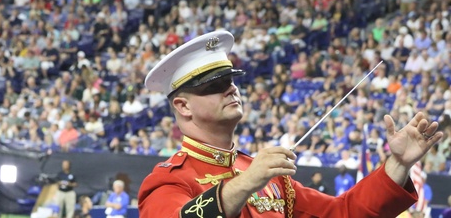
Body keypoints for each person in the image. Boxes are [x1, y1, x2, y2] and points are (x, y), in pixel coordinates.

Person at [138, 30, 444, 218]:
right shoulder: (168, 181)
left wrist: (398, 164)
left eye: (231, 80)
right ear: (182, 106)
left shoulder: (266, 175)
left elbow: (343, 213)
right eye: (214, 85)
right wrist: (246, 182)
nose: (231, 89)